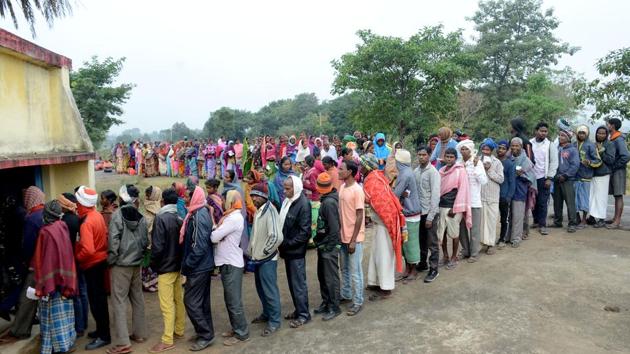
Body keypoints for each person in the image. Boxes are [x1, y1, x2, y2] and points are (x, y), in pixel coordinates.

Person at [0, 187, 45, 344]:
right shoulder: (45, 213)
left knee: (27, 297)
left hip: (35, 264)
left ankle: (19, 331)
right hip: (47, 263)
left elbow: (27, 245)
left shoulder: (32, 218)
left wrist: (25, 261)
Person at [108, 185, 149, 354]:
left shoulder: (117, 216)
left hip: (121, 265)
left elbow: (113, 241)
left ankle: (123, 342)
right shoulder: (142, 217)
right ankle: (139, 334)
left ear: (122, 198)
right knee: (137, 298)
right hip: (136, 264)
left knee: (118, 302)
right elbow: (145, 241)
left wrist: (111, 260)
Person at [33, 200, 78, 354]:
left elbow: (42, 260)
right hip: (65, 279)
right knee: (64, 315)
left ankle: (52, 347)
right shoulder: (62, 226)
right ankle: (66, 343)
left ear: (45, 214)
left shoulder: (45, 232)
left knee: (50, 316)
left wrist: (43, 282)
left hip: (51, 282)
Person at [360, 155, 405, 299]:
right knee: (376, 253)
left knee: (384, 255)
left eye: (361, 165)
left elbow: (383, 205)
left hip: (386, 223)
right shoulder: (374, 177)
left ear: (367, 166)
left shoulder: (373, 181)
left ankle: (386, 288)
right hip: (381, 223)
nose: (359, 167)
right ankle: (374, 281)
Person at [210, 190, 250, 346]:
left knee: (234, 301)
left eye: (224, 199)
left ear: (230, 201)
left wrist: (215, 229)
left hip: (231, 263)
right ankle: (236, 328)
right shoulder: (230, 216)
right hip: (228, 262)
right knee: (229, 299)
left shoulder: (233, 218)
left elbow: (214, 237)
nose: (221, 202)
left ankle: (242, 333)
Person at [75, 186, 111, 350]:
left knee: (97, 302)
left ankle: (104, 336)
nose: (76, 205)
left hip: (92, 264)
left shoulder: (86, 222)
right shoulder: (96, 215)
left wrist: (77, 258)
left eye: (77, 202)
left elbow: (88, 249)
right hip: (101, 261)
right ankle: (101, 331)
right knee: (99, 300)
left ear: (82, 203)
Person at [149, 188, 185, 353]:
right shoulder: (179, 217)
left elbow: (157, 247)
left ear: (162, 201)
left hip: (165, 267)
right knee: (178, 299)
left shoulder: (161, 218)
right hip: (177, 266)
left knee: (166, 305)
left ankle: (167, 339)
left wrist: (154, 265)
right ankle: (179, 329)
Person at [180, 186, 215, 351]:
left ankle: (205, 334)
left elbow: (199, 246)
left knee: (191, 301)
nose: (184, 199)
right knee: (201, 302)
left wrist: (188, 264)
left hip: (199, 267)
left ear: (194, 198)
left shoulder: (199, 216)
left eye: (187, 197)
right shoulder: (196, 213)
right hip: (203, 265)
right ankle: (205, 332)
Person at [248, 183, 284, 337]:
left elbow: (276, 236)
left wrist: (264, 251)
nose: (253, 199)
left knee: (269, 290)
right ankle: (267, 313)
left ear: (263, 196)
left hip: (267, 259)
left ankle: (275, 321)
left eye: (256, 196)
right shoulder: (259, 211)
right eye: (252, 196)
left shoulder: (270, 211)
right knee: (261, 289)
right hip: (258, 259)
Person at [278, 175, 312, 327]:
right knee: (292, 283)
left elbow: (305, 233)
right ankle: (298, 310)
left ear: (296, 187)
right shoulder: (288, 201)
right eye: (284, 188)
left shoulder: (303, 204)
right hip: (287, 249)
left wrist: (288, 244)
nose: (284, 191)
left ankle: (304, 314)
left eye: (288, 188)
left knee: (298, 283)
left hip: (295, 251)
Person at [57, 193, 88, 337]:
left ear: (64, 205)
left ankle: (79, 326)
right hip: (79, 259)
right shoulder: (78, 218)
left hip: (71, 260)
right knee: (82, 291)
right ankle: (85, 322)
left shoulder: (65, 222)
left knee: (75, 293)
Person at [313, 172, 342, 320]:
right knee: (323, 276)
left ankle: (334, 306)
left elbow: (334, 228)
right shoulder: (327, 199)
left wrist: (330, 247)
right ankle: (326, 302)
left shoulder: (329, 203)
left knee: (331, 278)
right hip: (323, 244)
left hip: (328, 246)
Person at [338, 160, 365, 316]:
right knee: (345, 269)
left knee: (355, 271)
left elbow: (360, 215)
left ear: (349, 172)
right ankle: (347, 294)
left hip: (354, 238)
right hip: (343, 236)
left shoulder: (357, 190)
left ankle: (358, 301)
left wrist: (354, 239)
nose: (339, 171)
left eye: (341, 169)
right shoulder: (342, 187)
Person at [437, 148, 471, 270]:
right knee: (442, 233)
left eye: (451, 157)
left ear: (455, 158)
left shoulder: (460, 171)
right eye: (447, 156)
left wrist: (455, 208)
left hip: (453, 208)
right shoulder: (441, 171)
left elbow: (463, 190)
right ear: (444, 157)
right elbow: (439, 190)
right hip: (441, 206)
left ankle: (453, 257)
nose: (449, 159)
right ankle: (445, 256)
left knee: (454, 234)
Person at [392, 149, 422, 282]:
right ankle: (408, 268)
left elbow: (396, 194)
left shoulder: (405, 175)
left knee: (411, 243)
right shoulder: (407, 172)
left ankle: (413, 270)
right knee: (406, 242)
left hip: (410, 213)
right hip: (408, 212)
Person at [456, 139, 487, 262]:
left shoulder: (477, 162)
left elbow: (484, 181)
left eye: (466, 149)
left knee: (474, 228)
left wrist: (475, 168)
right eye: (462, 149)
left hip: (474, 200)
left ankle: (474, 253)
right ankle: (465, 250)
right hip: (461, 200)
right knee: (462, 227)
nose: (464, 151)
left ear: (471, 150)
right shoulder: (458, 163)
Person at [413, 146, 441, 282]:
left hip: (430, 212)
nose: (421, 157)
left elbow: (435, 196)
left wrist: (431, 216)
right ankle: (423, 263)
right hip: (419, 212)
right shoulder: (416, 171)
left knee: (432, 242)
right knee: (421, 241)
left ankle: (434, 269)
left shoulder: (433, 172)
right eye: (419, 155)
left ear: (429, 155)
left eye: (424, 155)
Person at [530, 122, 558, 236]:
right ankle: (536, 221)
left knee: (542, 202)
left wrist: (549, 178)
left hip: (543, 177)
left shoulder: (550, 145)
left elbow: (554, 162)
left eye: (545, 131)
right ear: (536, 131)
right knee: (533, 201)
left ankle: (542, 225)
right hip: (531, 177)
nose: (543, 133)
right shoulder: (530, 143)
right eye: (541, 131)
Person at [509, 138, 537, 247]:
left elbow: (532, 178)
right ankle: (508, 236)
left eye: (517, 146)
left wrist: (521, 174)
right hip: (509, 191)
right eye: (513, 146)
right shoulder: (509, 158)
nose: (514, 148)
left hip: (520, 190)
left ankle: (516, 238)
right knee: (509, 216)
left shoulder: (526, 161)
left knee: (518, 215)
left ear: (521, 147)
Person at [479, 139, 504, 255]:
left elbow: (501, 179)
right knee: (481, 222)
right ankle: (482, 243)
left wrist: (489, 170)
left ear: (492, 150)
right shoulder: (477, 161)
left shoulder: (497, 162)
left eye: (487, 149)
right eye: (483, 149)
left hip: (493, 196)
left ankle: (490, 244)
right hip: (480, 196)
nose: (485, 151)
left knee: (491, 221)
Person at [574, 125, 602, 229]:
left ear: (587, 134)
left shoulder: (590, 145)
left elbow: (598, 161)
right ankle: (576, 218)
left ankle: (584, 220)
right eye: (579, 133)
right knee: (574, 199)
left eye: (583, 133)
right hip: (574, 176)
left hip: (585, 176)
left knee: (584, 199)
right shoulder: (573, 144)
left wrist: (589, 162)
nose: (581, 135)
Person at [552, 131, 580, 233]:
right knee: (557, 202)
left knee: (570, 202)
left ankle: (572, 223)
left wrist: (566, 175)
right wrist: (555, 175)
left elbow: (575, 165)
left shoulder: (572, 150)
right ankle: (557, 221)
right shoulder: (556, 149)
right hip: (557, 178)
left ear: (569, 137)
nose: (560, 137)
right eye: (559, 135)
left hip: (568, 179)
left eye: (563, 135)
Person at [606, 118, 630, 229]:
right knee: (616, 195)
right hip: (615, 170)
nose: (607, 125)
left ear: (612, 126)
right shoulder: (613, 138)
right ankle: (615, 218)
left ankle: (617, 221)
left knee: (618, 195)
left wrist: (615, 167)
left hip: (618, 170)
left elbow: (625, 156)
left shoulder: (618, 139)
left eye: (608, 124)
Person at [591, 127, 615, 228]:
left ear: (606, 135)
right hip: (593, 173)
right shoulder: (593, 144)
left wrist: (601, 151)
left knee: (601, 198)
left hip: (603, 174)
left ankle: (601, 219)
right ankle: (592, 217)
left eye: (603, 133)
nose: (600, 135)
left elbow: (610, 160)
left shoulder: (609, 144)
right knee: (592, 197)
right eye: (599, 133)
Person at [496, 141, 515, 249]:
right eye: (499, 148)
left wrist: (508, 197)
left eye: (503, 148)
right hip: (493, 195)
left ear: (507, 150)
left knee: (504, 218)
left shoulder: (509, 164)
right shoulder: (493, 161)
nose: (500, 150)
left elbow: (512, 182)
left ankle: (502, 238)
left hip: (504, 195)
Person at [142, 186, 161, 293]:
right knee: (148, 265)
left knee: (150, 264)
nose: (146, 197)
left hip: (151, 243)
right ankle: (149, 283)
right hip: (151, 243)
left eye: (148, 195)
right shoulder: (158, 209)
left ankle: (150, 284)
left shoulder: (157, 211)